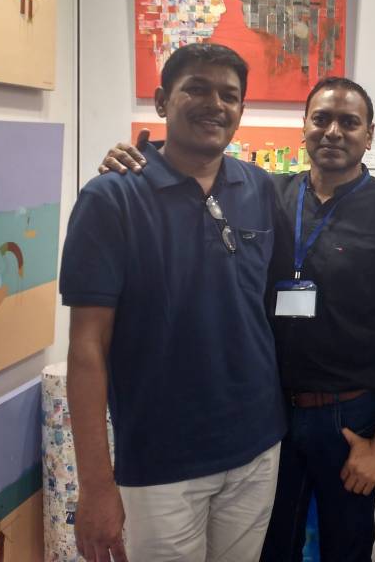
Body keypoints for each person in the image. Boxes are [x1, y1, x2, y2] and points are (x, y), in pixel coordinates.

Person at [98, 77, 375, 562]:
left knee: (346, 550)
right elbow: (197, 180)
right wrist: (136, 163)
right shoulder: (267, 195)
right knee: (271, 549)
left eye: (349, 122)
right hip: (268, 416)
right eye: (321, 119)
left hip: (349, 419)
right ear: (304, 127)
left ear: (368, 135)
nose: (333, 131)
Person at [61, 43, 285, 562]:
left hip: (256, 446)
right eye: (197, 89)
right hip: (162, 460)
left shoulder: (259, 187)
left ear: (242, 109)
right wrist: (95, 485)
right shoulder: (111, 198)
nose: (215, 104)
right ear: (162, 101)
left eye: (229, 95)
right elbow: (87, 348)